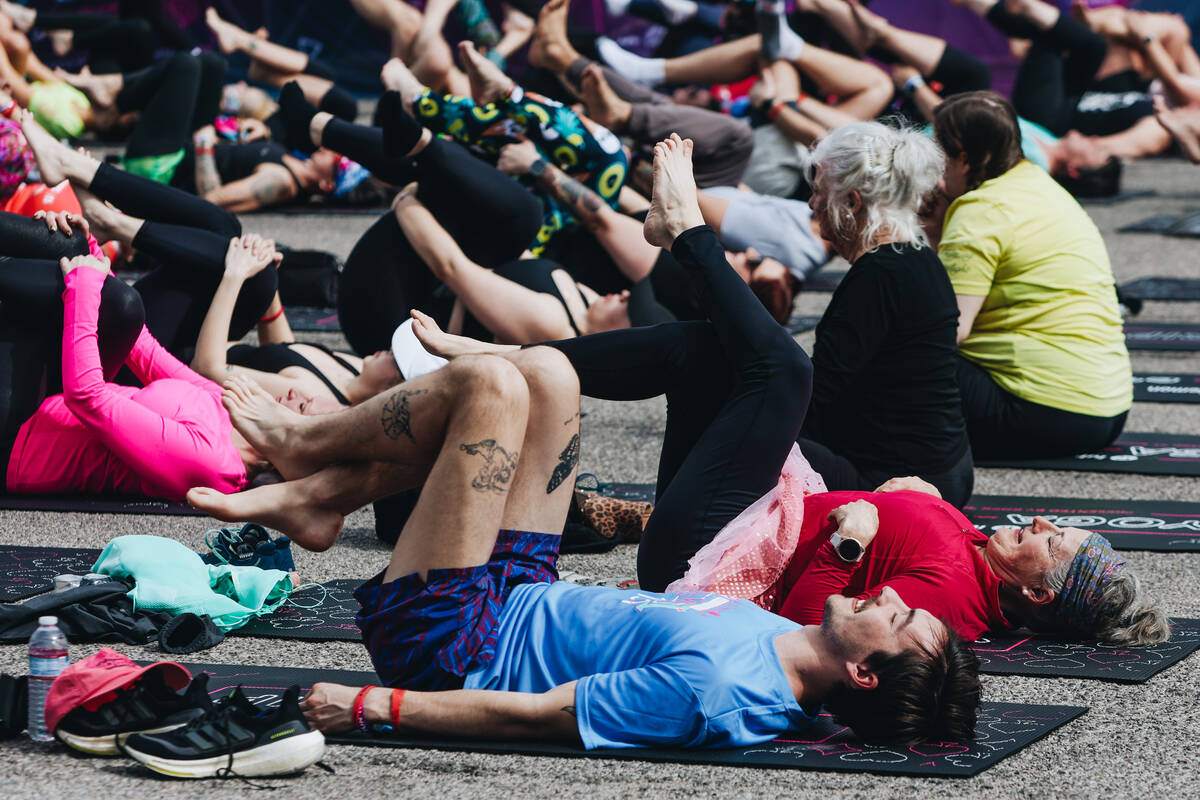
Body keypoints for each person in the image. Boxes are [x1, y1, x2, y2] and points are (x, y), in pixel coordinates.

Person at [187, 134, 980, 748]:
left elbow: (541, 717)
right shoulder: (786, 650)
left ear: (866, 673)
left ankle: (310, 450)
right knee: (549, 377)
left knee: (495, 385)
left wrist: (373, 707)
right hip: (522, 588)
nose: (894, 597)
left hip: (454, 639)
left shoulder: (723, 691)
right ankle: (322, 496)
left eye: (901, 619)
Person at [668, 475, 1169, 646]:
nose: (1041, 523)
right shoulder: (989, 560)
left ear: (1038, 593)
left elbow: (804, 629)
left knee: (776, 370)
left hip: (724, 539)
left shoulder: (948, 598)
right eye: (1057, 526)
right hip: (760, 506)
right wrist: (925, 499)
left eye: (1053, 542)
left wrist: (849, 545)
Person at [0, 224, 274, 502]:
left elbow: (86, 396)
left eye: (302, 409)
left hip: (17, 446)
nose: (295, 395)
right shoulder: (231, 408)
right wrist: (93, 254)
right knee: (74, 249)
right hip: (45, 399)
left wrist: (84, 284)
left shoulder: (215, 465)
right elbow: (145, 351)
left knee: (105, 293)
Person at [927, 91, 1132, 460]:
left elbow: (949, 330)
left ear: (961, 158)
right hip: (1107, 409)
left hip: (1043, 410)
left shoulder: (980, 209)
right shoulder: (1039, 185)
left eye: (936, 155)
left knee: (900, 353)